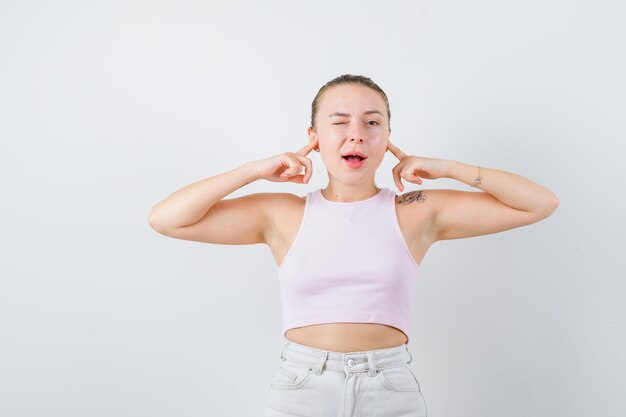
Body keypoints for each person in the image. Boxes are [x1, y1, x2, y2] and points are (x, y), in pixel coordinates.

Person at [147, 74, 559, 416]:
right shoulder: (282, 213)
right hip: (301, 388)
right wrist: (254, 170)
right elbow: (166, 219)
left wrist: (448, 168)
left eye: (372, 123)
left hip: (390, 389)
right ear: (313, 137)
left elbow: (540, 204)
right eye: (339, 122)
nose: (356, 135)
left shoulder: (415, 209)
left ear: (388, 137)